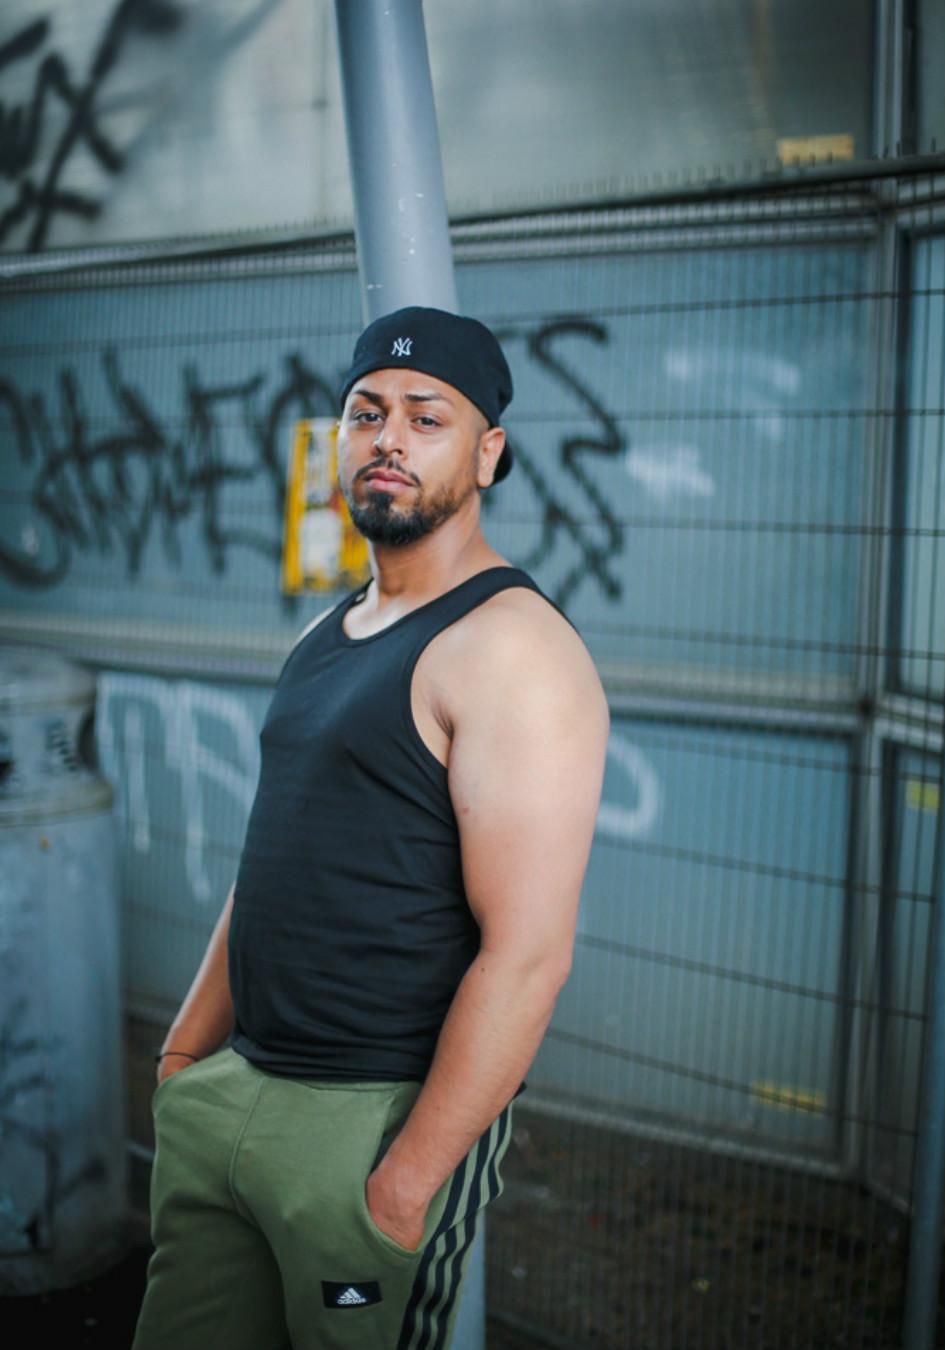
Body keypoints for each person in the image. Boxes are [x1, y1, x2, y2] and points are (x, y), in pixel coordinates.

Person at [132, 306, 609, 1350]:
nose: (388, 437)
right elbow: (271, 862)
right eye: (366, 412)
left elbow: (528, 957)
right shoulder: (329, 629)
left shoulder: (513, 650)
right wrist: (184, 1057)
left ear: (487, 453)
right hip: (233, 1095)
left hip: (367, 1128)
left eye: (426, 418)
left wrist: (404, 1186)